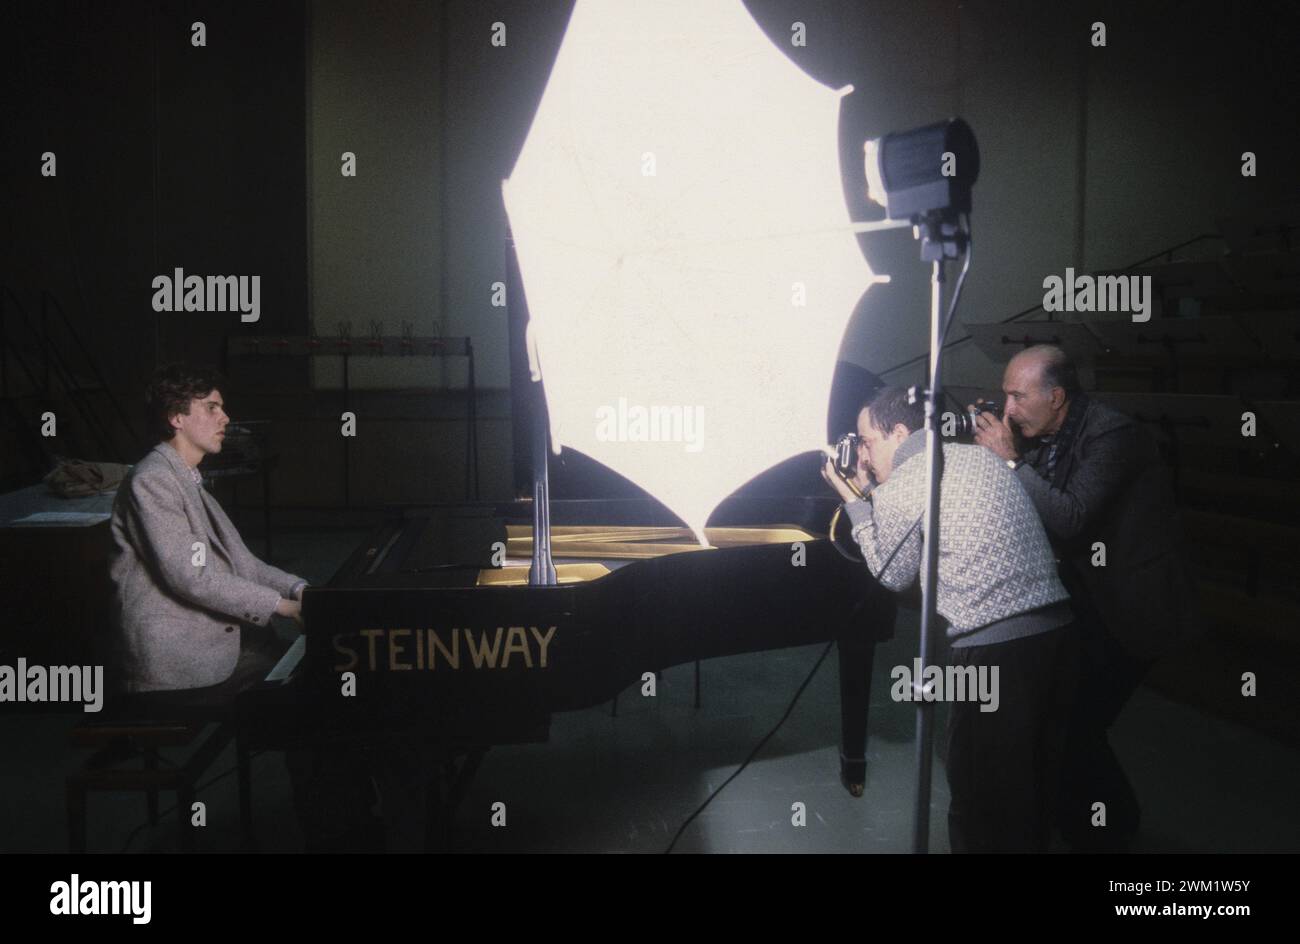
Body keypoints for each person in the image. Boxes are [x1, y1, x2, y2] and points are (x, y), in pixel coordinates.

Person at [822, 385, 1077, 853]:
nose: (862, 452)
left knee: (976, 794)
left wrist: (857, 503)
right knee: (1035, 785)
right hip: (1057, 632)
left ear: (899, 432)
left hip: (992, 649)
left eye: (867, 440)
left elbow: (893, 574)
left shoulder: (904, 486)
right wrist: (877, 492)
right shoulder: (977, 458)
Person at [971, 343, 1194, 851]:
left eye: (1016, 396)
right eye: (1005, 396)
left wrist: (1008, 462)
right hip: (1089, 601)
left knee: (1074, 724)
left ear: (1057, 396)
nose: (1008, 409)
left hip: (1135, 608)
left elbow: (1070, 517)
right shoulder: (1048, 433)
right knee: (1064, 720)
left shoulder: (1113, 435)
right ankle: (1097, 819)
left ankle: (1108, 826)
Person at [108, 364, 306, 699]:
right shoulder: (153, 479)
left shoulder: (187, 478)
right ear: (176, 417)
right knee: (304, 684)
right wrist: (282, 607)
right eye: (212, 407)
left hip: (209, 640)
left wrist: (298, 589)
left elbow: (246, 563)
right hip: (176, 658)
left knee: (310, 668)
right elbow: (190, 578)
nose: (225, 418)